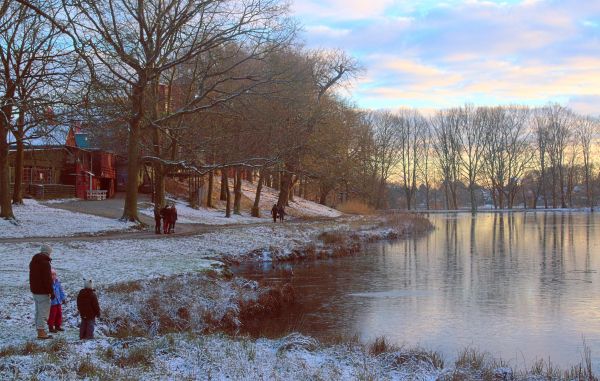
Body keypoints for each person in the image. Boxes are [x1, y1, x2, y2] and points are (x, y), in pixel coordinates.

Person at [29, 244, 54, 339]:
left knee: (38, 311)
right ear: (48, 252)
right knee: (43, 312)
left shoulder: (33, 261)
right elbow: (47, 280)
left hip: (35, 291)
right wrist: (51, 292)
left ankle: (39, 330)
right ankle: (41, 332)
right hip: (43, 292)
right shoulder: (45, 263)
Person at [48, 269, 66, 333]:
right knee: (52, 315)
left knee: (59, 314)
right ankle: (50, 327)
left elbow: (61, 291)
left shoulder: (57, 282)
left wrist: (63, 298)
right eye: (52, 275)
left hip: (58, 302)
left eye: (54, 274)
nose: (53, 276)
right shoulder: (49, 284)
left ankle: (57, 326)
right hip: (52, 303)